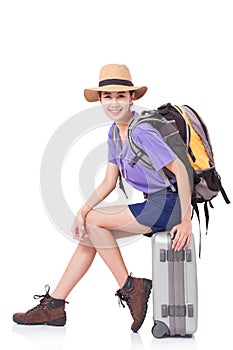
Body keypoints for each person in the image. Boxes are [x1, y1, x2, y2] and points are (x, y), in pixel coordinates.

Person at [13, 64, 192, 332]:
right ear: (100, 100)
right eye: (108, 96)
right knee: (90, 232)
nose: (114, 102)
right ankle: (55, 306)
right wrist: (82, 210)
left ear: (132, 98)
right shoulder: (114, 133)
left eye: (121, 95)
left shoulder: (142, 131)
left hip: (168, 205)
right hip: (154, 205)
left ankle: (132, 288)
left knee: (95, 223)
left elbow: (180, 170)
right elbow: (109, 181)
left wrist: (187, 219)